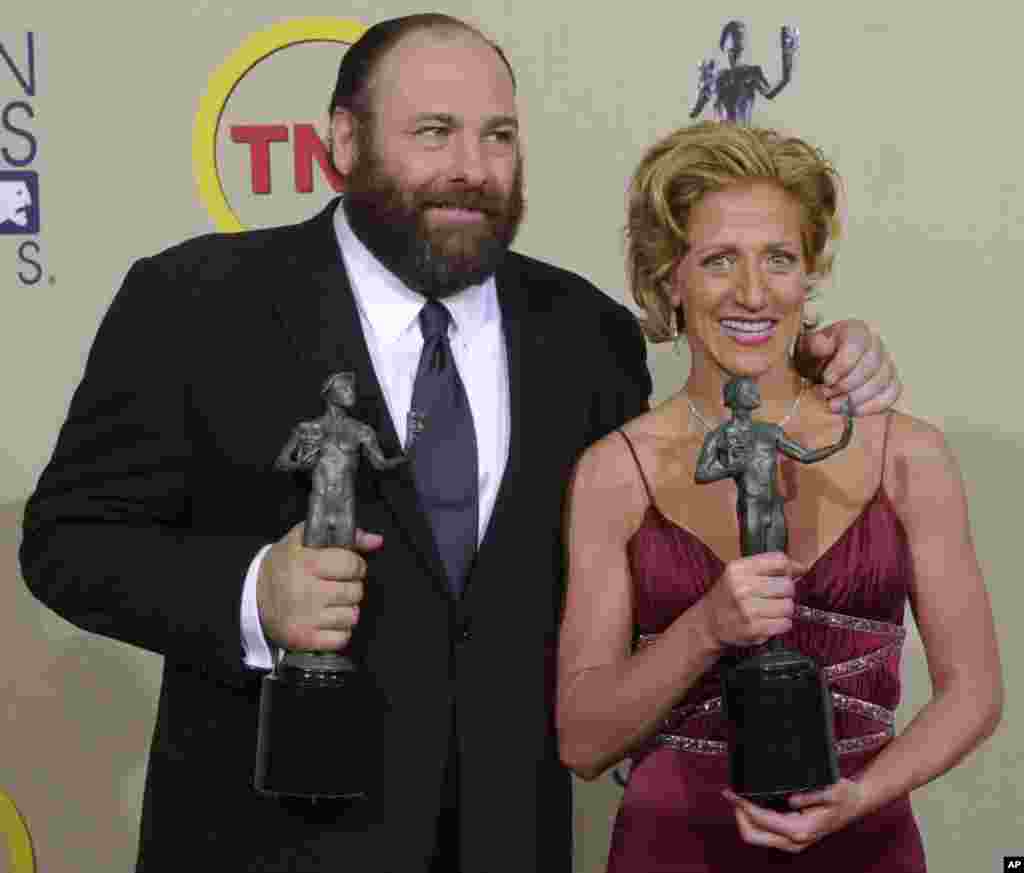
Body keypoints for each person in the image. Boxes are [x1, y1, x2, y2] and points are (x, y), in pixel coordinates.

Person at [20, 16, 900, 873]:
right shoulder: (197, 302)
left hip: (508, 840)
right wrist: (253, 594)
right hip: (266, 842)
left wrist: (811, 360)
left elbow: (671, 501)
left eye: (499, 135)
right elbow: (67, 542)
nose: (472, 170)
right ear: (343, 140)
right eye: (434, 132)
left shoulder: (587, 333)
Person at [556, 121, 1003, 872]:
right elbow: (582, 740)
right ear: (672, 278)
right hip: (675, 849)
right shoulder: (615, 471)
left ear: (809, 275)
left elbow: (976, 691)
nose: (753, 292)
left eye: (779, 259)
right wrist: (706, 627)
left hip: (865, 844)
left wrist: (861, 795)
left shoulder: (907, 452)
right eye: (719, 260)